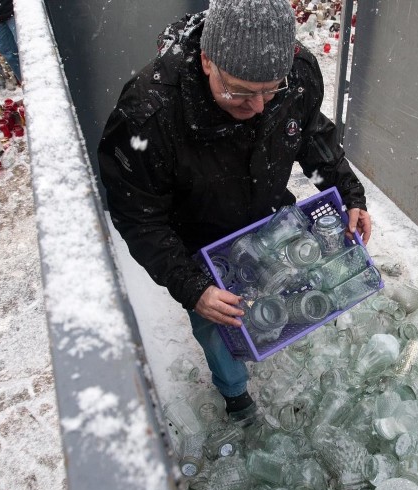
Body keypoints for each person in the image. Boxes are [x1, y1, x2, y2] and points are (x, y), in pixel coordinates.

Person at [97, 0, 371, 424]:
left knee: (278, 287)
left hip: (265, 220)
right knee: (217, 322)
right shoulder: (149, 113)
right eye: (241, 92)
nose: (259, 106)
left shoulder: (296, 74)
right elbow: (138, 215)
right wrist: (192, 287)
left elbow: (311, 136)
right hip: (199, 240)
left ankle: (265, 333)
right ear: (208, 61)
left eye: (270, 90)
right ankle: (234, 393)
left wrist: (349, 193)